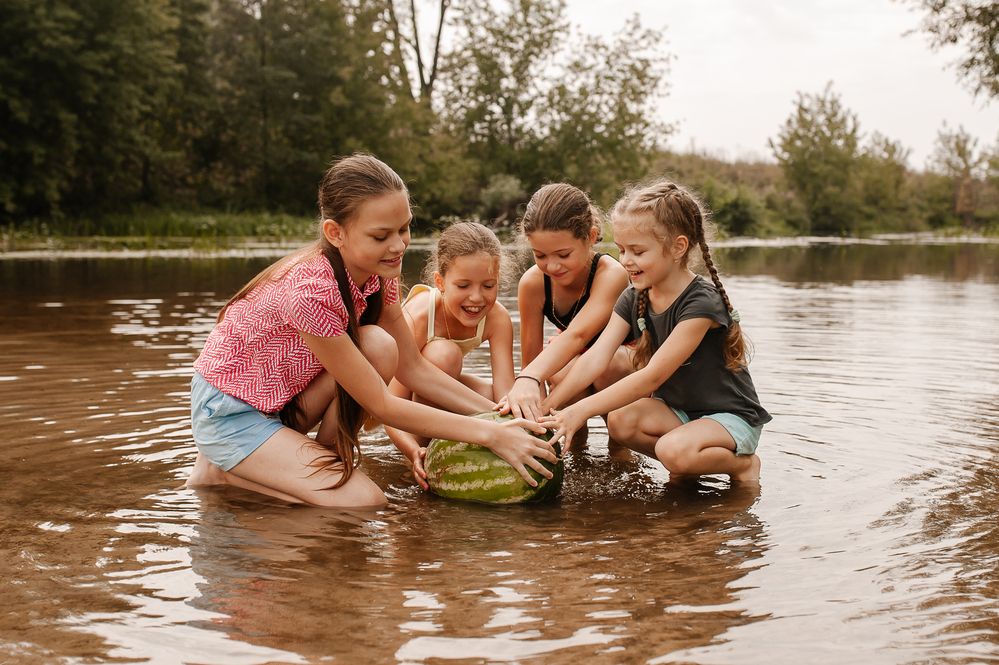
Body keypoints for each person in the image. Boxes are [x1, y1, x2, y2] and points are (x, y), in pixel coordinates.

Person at [185, 154, 556, 507]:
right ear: (335, 232)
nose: (398, 246)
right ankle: (222, 473)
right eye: (381, 236)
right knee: (363, 503)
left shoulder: (380, 274)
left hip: (283, 403)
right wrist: (490, 434)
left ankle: (308, 461)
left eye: (404, 229)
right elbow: (382, 404)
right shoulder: (312, 291)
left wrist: (504, 419)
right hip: (231, 413)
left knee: (378, 345)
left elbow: (413, 370)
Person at [538, 179, 770, 482]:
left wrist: (580, 410)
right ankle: (691, 459)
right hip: (681, 412)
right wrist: (547, 409)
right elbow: (595, 358)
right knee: (620, 422)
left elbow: (652, 376)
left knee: (674, 453)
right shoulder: (634, 296)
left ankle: (742, 465)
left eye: (637, 251)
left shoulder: (702, 302)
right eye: (621, 250)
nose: (625, 261)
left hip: (728, 417)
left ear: (678, 247)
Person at [383, 221, 515, 488]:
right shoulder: (419, 316)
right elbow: (390, 405)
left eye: (488, 286)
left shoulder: (498, 317)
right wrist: (411, 451)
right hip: (407, 413)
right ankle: (427, 445)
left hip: (442, 391)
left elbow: (505, 391)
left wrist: (519, 428)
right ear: (440, 282)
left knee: (498, 402)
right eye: (463, 285)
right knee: (445, 354)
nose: (476, 298)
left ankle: (460, 441)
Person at [500, 183, 631, 431]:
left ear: (590, 238)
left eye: (563, 254)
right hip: (577, 359)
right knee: (557, 373)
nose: (552, 266)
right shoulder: (533, 283)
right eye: (540, 255)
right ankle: (569, 443)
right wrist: (530, 409)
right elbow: (532, 360)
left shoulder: (612, 274)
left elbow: (578, 335)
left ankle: (618, 447)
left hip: (623, 361)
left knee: (609, 367)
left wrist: (529, 377)